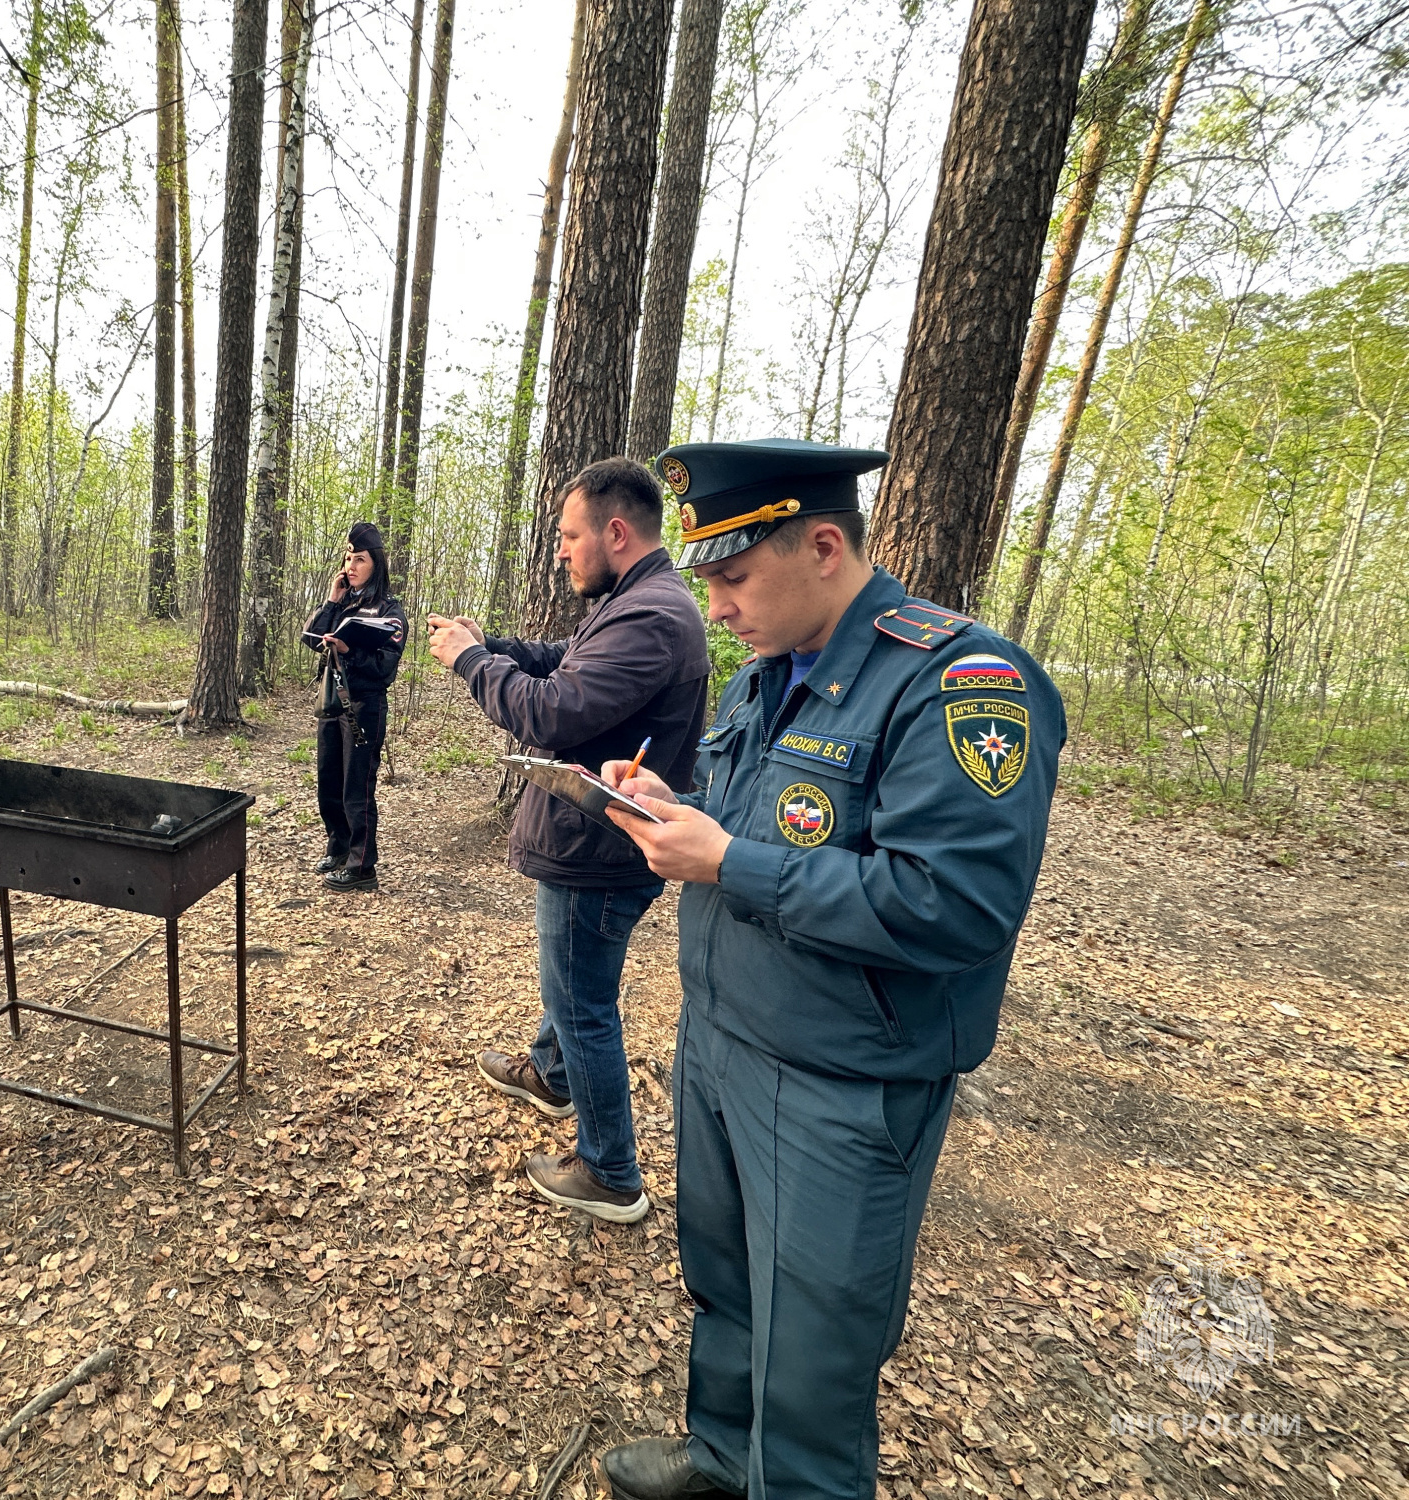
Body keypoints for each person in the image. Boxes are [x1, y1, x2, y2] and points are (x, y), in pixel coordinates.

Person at [591, 439, 1066, 1500]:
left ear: (821, 545)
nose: (714, 607)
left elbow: (957, 906)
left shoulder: (956, 679)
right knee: (724, 1284)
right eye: (706, 580)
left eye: (732, 578)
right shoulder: (770, 673)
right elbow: (771, 834)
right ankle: (720, 1455)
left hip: (839, 1082)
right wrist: (683, 814)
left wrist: (729, 861)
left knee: (813, 1346)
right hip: (722, 1037)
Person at [427, 456, 709, 1225]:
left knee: (581, 1001)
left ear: (615, 533)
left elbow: (551, 713)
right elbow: (566, 663)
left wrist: (470, 662)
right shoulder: (631, 599)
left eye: (569, 534)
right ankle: (550, 1073)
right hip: (594, 841)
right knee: (575, 987)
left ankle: (611, 1170)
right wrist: (498, 646)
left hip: (600, 851)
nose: (561, 549)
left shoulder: (653, 615)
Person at [301, 522, 406, 893]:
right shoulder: (343, 601)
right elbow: (311, 638)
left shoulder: (389, 611)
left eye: (359, 559)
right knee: (329, 781)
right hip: (332, 700)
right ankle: (338, 847)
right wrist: (332, 599)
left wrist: (350, 651)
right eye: (348, 558)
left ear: (375, 563)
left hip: (365, 706)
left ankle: (363, 866)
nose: (351, 566)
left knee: (356, 786)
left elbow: (385, 667)